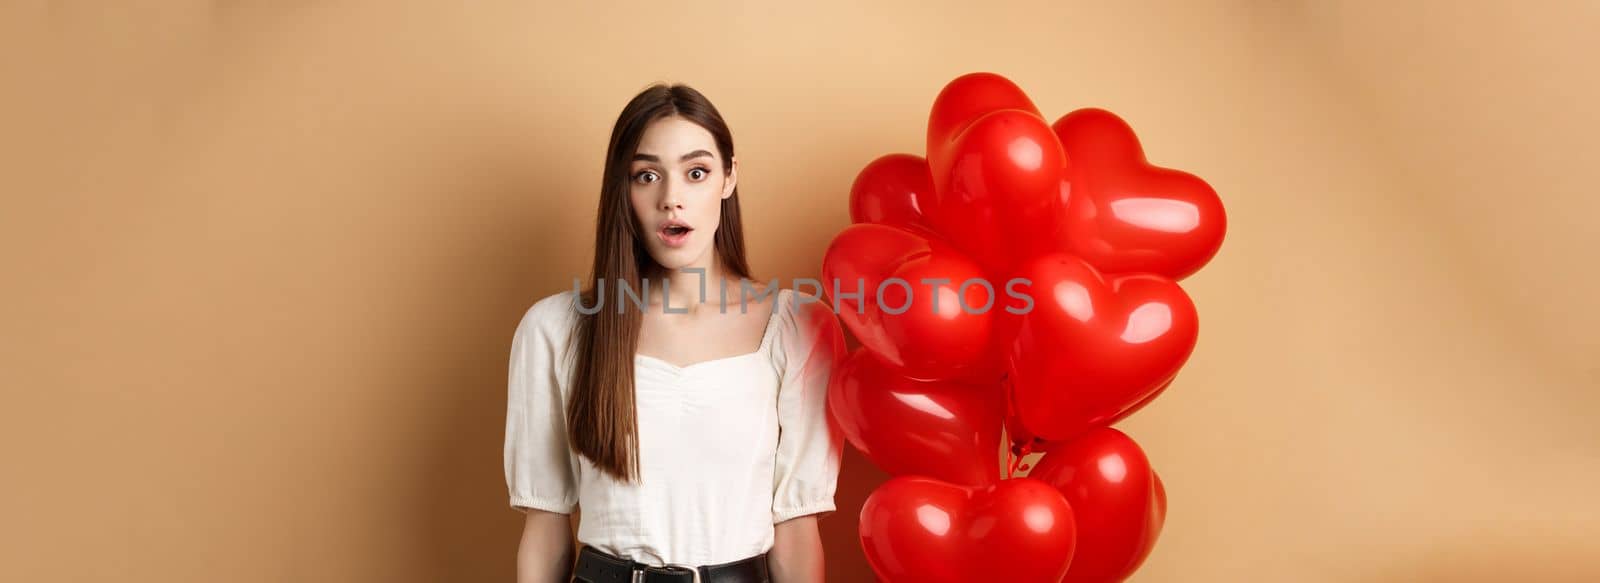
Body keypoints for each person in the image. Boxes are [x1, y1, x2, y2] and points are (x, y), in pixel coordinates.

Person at [504, 83, 847, 583]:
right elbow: (546, 526)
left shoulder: (799, 328)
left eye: (696, 173)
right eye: (647, 176)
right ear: (623, 188)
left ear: (729, 178)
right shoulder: (556, 329)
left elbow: (796, 531)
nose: (672, 199)